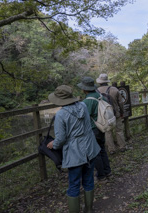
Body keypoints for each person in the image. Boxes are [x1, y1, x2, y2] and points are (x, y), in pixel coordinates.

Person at [46, 85, 101, 213]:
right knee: (88, 180)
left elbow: (60, 139)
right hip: (90, 148)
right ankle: (89, 209)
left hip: (75, 153)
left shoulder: (61, 114)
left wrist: (52, 144)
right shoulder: (83, 106)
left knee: (74, 184)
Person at [77, 77, 112, 183]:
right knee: (102, 150)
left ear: (84, 89)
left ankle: (101, 176)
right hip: (101, 127)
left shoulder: (87, 101)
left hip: (93, 129)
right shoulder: (100, 96)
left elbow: (83, 116)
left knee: (95, 153)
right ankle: (107, 171)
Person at [96, 73, 127, 154]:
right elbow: (120, 103)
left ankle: (111, 149)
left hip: (104, 115)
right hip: (115, 113)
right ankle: (122, 146)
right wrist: (122, 112)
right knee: (119, 130)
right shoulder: (115, 89)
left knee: (108, 132)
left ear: (99, 82)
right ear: (107, 81)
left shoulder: (97, 91)